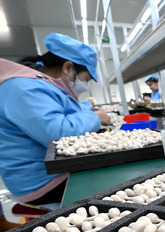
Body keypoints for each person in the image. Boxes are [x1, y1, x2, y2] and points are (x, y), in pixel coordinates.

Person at [0, 33, 109, 205]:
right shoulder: (24, 87)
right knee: (112, 184)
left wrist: (89, 110)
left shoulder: (41, 84)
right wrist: (94, 117)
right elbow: (58, 133)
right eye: (86, 79)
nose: (86, 86)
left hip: (50, 172)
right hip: (42, 183)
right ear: (67, 68)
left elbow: (62, 110)